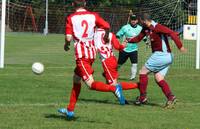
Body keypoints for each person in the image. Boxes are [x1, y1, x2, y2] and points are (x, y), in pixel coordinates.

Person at [58, 0, 125, 119]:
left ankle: (114, 88)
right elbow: (107, 26)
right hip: (91, 53)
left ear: (73, 5)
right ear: (85, 4)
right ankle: (70, 110)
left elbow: (68, 38)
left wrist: (66, 45)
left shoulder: (71, 18)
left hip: (82, 55)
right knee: (76, 79)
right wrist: (105, 35)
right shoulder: (93, 16)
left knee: (90, 84)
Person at [127, 13, 187, 108]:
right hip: (167, 57)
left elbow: (172, 33)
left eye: (141, 21)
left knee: (143, 72)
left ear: (144, 20)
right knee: (158, 77)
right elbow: (138, 38)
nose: (140, 23)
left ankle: (142, 98)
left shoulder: (157, 27)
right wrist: (128, 40)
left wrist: (180, 46)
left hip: (161, 55)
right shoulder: (146, 28)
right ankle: (171, 97)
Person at [116, 14, 143, 80]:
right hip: (124, 49)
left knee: (134, 63)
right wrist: (117, 40)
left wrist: (147, 42)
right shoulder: (125, 27)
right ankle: (113, 72)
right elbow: (118, 35)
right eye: (132, 19)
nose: (133, 21)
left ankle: (132, 77)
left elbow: (143, 36)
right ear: (130, 20)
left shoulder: (140, 28)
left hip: (134, 49)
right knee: (119, 64)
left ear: (137, 20)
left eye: (135, 20)